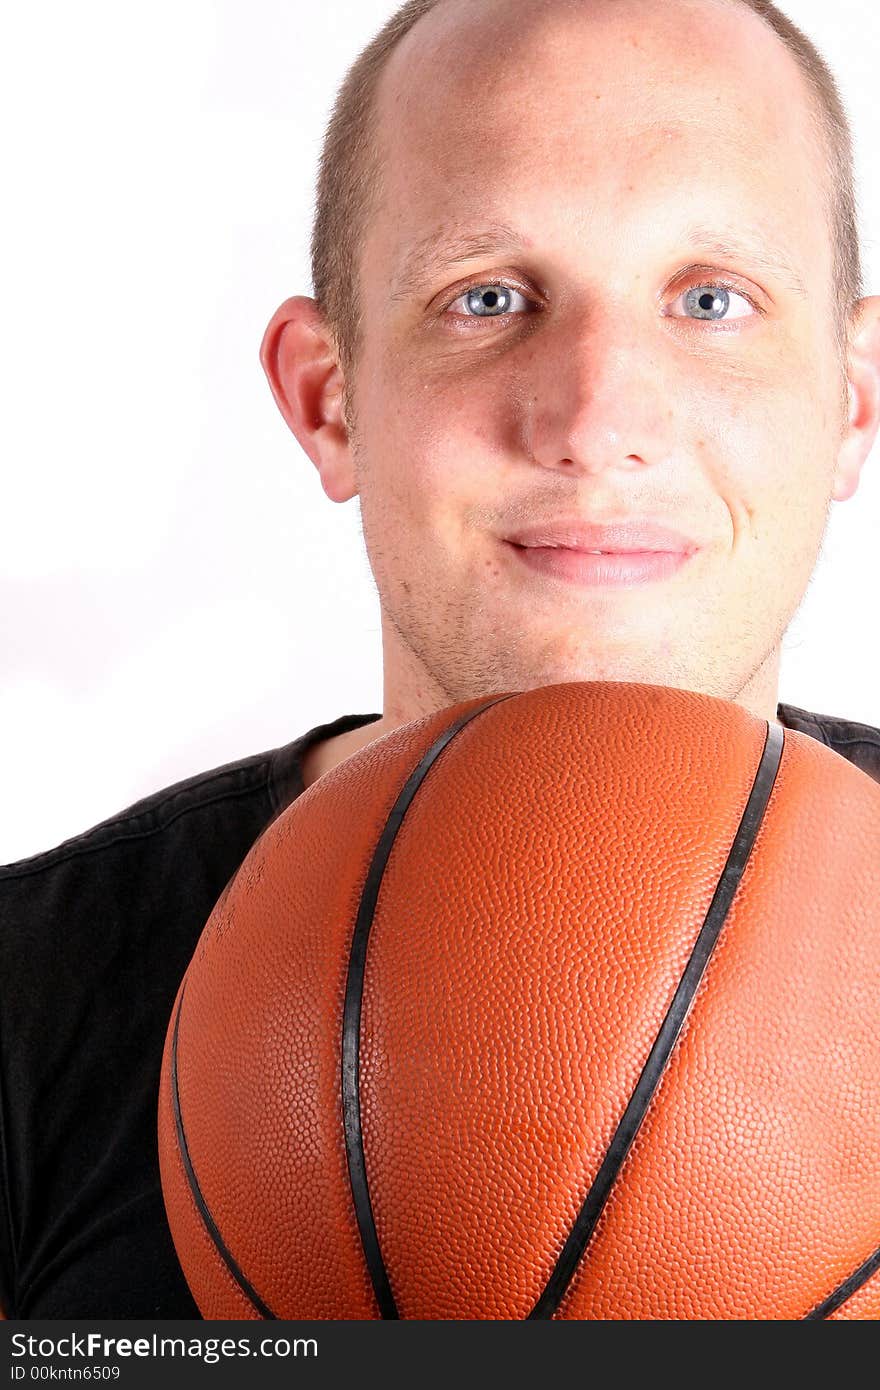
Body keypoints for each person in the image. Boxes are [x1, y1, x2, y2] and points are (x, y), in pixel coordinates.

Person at [1, 0, 879, 1320]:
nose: (597, 420)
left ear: (854, 399)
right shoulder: (27, 1001)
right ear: (327, 397)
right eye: (488, 298)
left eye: (712, 299)